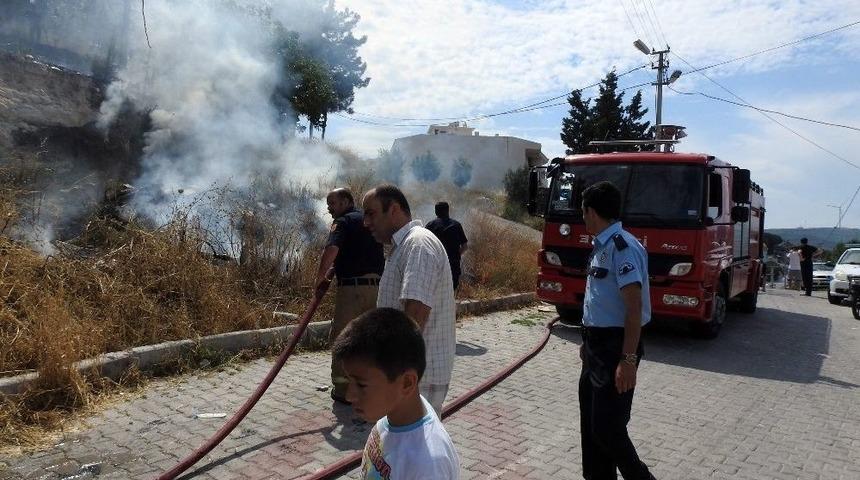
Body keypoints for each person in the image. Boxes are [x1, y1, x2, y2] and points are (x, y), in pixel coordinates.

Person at [578, 181, 656, 480]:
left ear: (592, 212)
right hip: (596, 348)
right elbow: (600, 300)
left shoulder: (622, 248)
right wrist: (587, 341)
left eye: (583, 212)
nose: (582, 218)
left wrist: (628, 360)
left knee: (608, 428)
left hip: (616, 349)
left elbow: (634, 309)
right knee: (592, 423)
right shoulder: (602, 245)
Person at [332, 307, 460, 479]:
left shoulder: (427, 465)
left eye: (361, 385)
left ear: (407, 383)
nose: (349, 396)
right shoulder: (393, 415)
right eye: (349, 381)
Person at [362, 184, 456, 416]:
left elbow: (414, 317)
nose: (366, 222)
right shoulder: (403, 247)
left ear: (393, 210)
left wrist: (390, 376)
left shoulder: (418, 245)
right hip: (409, 376)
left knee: (409, 449)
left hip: (414, 379)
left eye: (371, 213)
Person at [315, 188, 385, 405]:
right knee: (369, 341)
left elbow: (332, 248)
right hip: (375, 288)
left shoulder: (344, 222)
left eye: (332, 203)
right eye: (327, 203)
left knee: (343, 338)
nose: (329, 208)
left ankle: (344, 390)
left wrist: (318, 279)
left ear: (346, 202)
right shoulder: (368, 221)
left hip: (352, 290)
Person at [425, 202, 468, 290]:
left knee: (435, 292)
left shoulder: (430, 225)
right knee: (451, 291)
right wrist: (457, 254)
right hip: (453, 266)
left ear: (436, 212)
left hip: (435, 266)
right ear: (448, 211)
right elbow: (465, 246)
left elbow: (424, 245)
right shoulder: (456, 225)